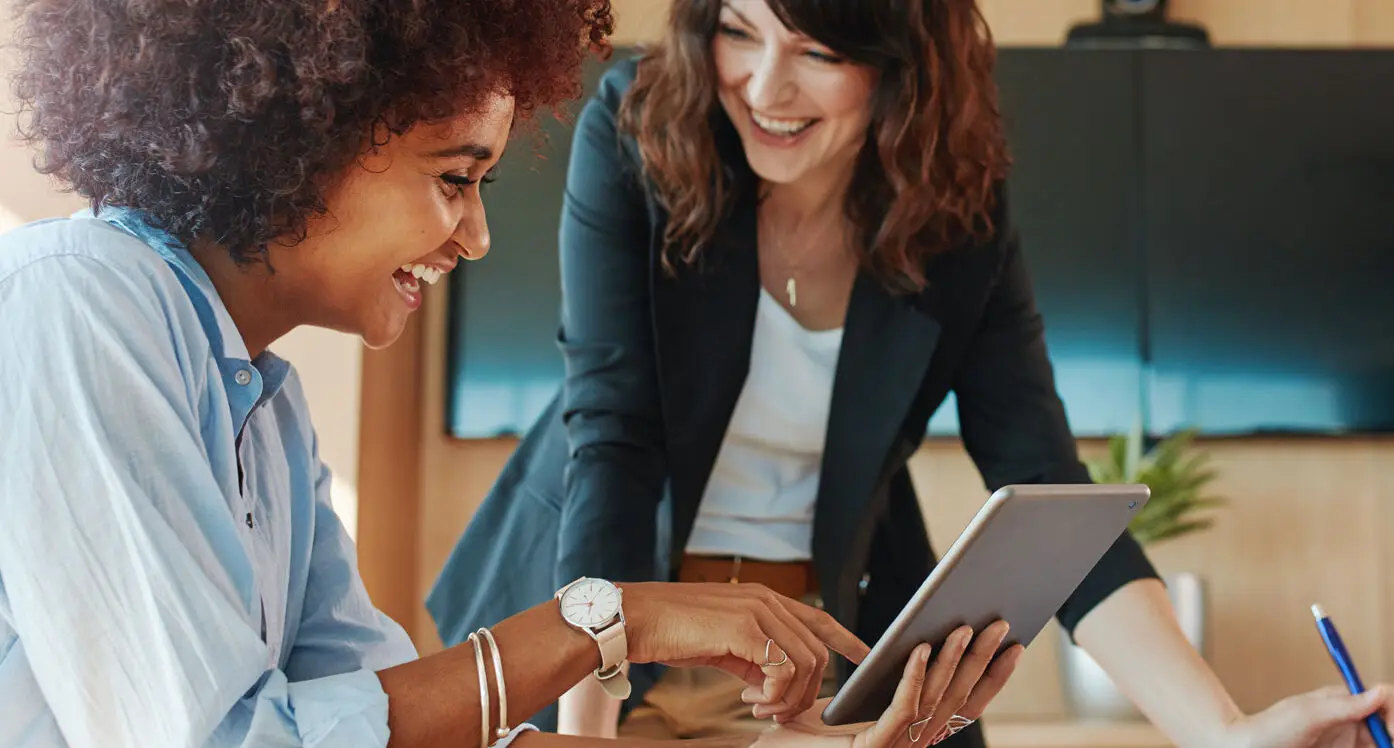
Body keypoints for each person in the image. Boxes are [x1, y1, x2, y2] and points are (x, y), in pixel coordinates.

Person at [0, 0, 1024, 746]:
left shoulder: (265, 407)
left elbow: (399, 725)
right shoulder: (81, 304)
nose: (479, 234)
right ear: (296, 134)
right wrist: (613, 616)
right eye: (456, 179)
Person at [428, 1, 1394, 747]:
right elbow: (615, 437)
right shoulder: (641, 128)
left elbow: (1048, 489)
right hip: (602, 636)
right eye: (738, 30)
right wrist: (579, 731)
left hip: (814, 659)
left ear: (900, 65)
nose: (765, 86)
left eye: (817, 51)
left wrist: (1226, 734)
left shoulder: (954, 209)